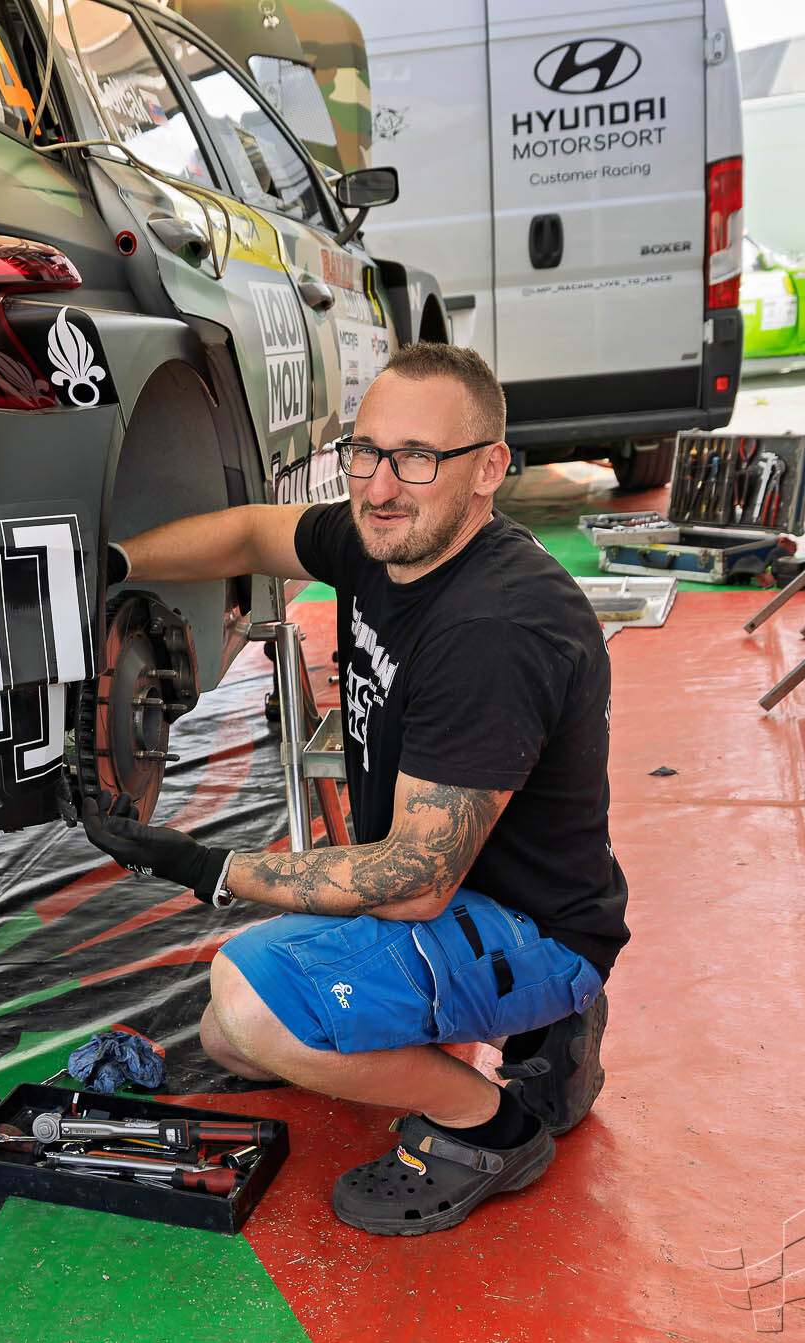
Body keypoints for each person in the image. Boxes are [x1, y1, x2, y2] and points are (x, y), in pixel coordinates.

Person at [80, 342, 626, 1236]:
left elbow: (414, 882)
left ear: (490, 468)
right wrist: (111, 562)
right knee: (227, 1038)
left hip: (533, 925)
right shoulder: (387, 536)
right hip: (464, 894)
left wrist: (210, 866)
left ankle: (490, 1125)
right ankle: (538, 1036)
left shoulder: (494, 627)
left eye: (418, 458)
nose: (379, 486)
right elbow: (252, 531)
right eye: (365, 452)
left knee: (251, 1005)